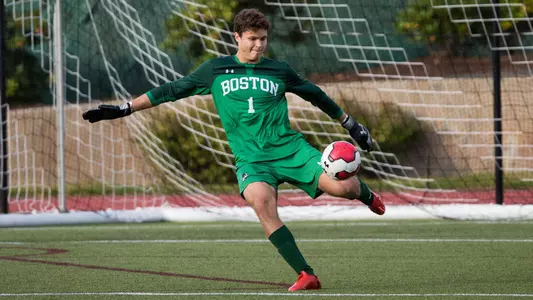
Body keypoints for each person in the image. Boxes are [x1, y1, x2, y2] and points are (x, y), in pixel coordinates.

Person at [82, 8, 385, 292]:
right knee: (261, 201)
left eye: (263, 39)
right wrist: (125, 109)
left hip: (290, 150)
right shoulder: (215, 69)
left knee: (343, 187)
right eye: (252, 39)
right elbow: (171, 90)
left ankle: (367, 195)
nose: (259, 46)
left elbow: (315, 95)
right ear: (237, 37)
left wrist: (349, 123)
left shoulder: (279, 70)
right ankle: (306, 274)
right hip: (251, 160)